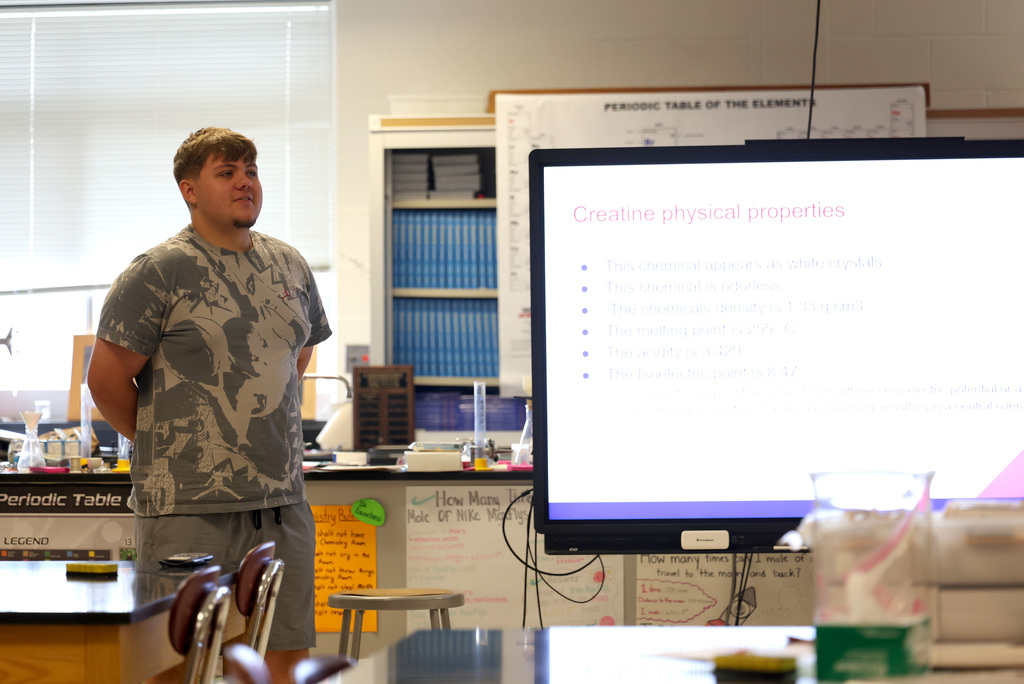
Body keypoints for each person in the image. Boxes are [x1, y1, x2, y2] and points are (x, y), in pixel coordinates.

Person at [88, 127, 331, 683]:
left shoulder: (289, 264)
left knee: (284, 661)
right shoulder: (158, 271)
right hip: (188, 508)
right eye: (227, 172)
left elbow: (299, 354)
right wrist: (168, 444)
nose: (245, 181)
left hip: (281, 504)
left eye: (250, 169)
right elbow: (105, 383)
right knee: (180, 664)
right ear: (189, 190)